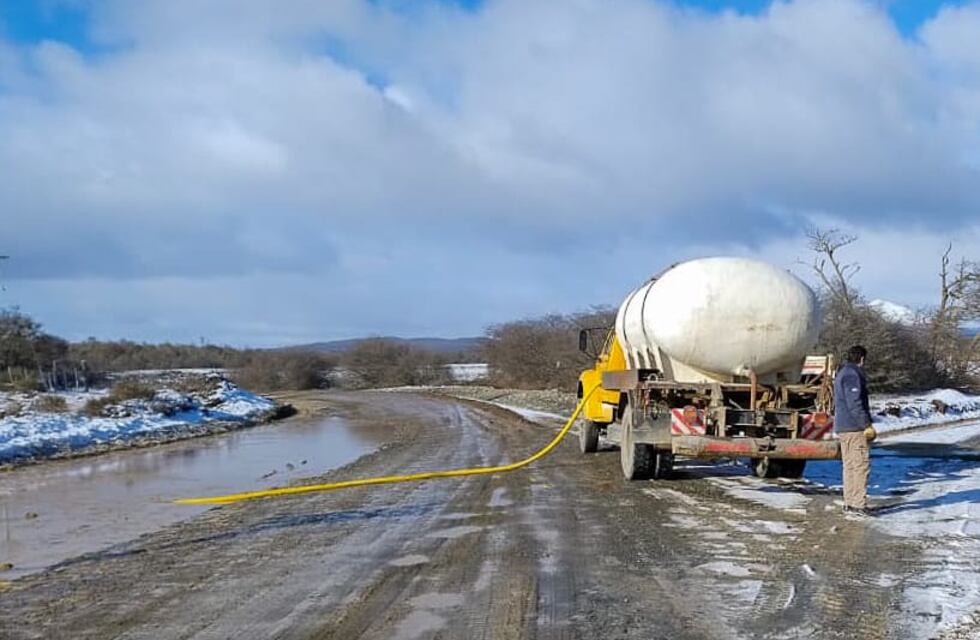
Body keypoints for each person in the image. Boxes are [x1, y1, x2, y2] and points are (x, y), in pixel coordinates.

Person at [833, 345, 875, 516]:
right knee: (859, 466)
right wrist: (866, 424)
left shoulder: (842, 372)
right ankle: (858, 504)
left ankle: (850, 502)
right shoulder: (852, 374)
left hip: (844, 426)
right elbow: (854, 403)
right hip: (854, 427)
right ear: (862, 359)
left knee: (849, 466)